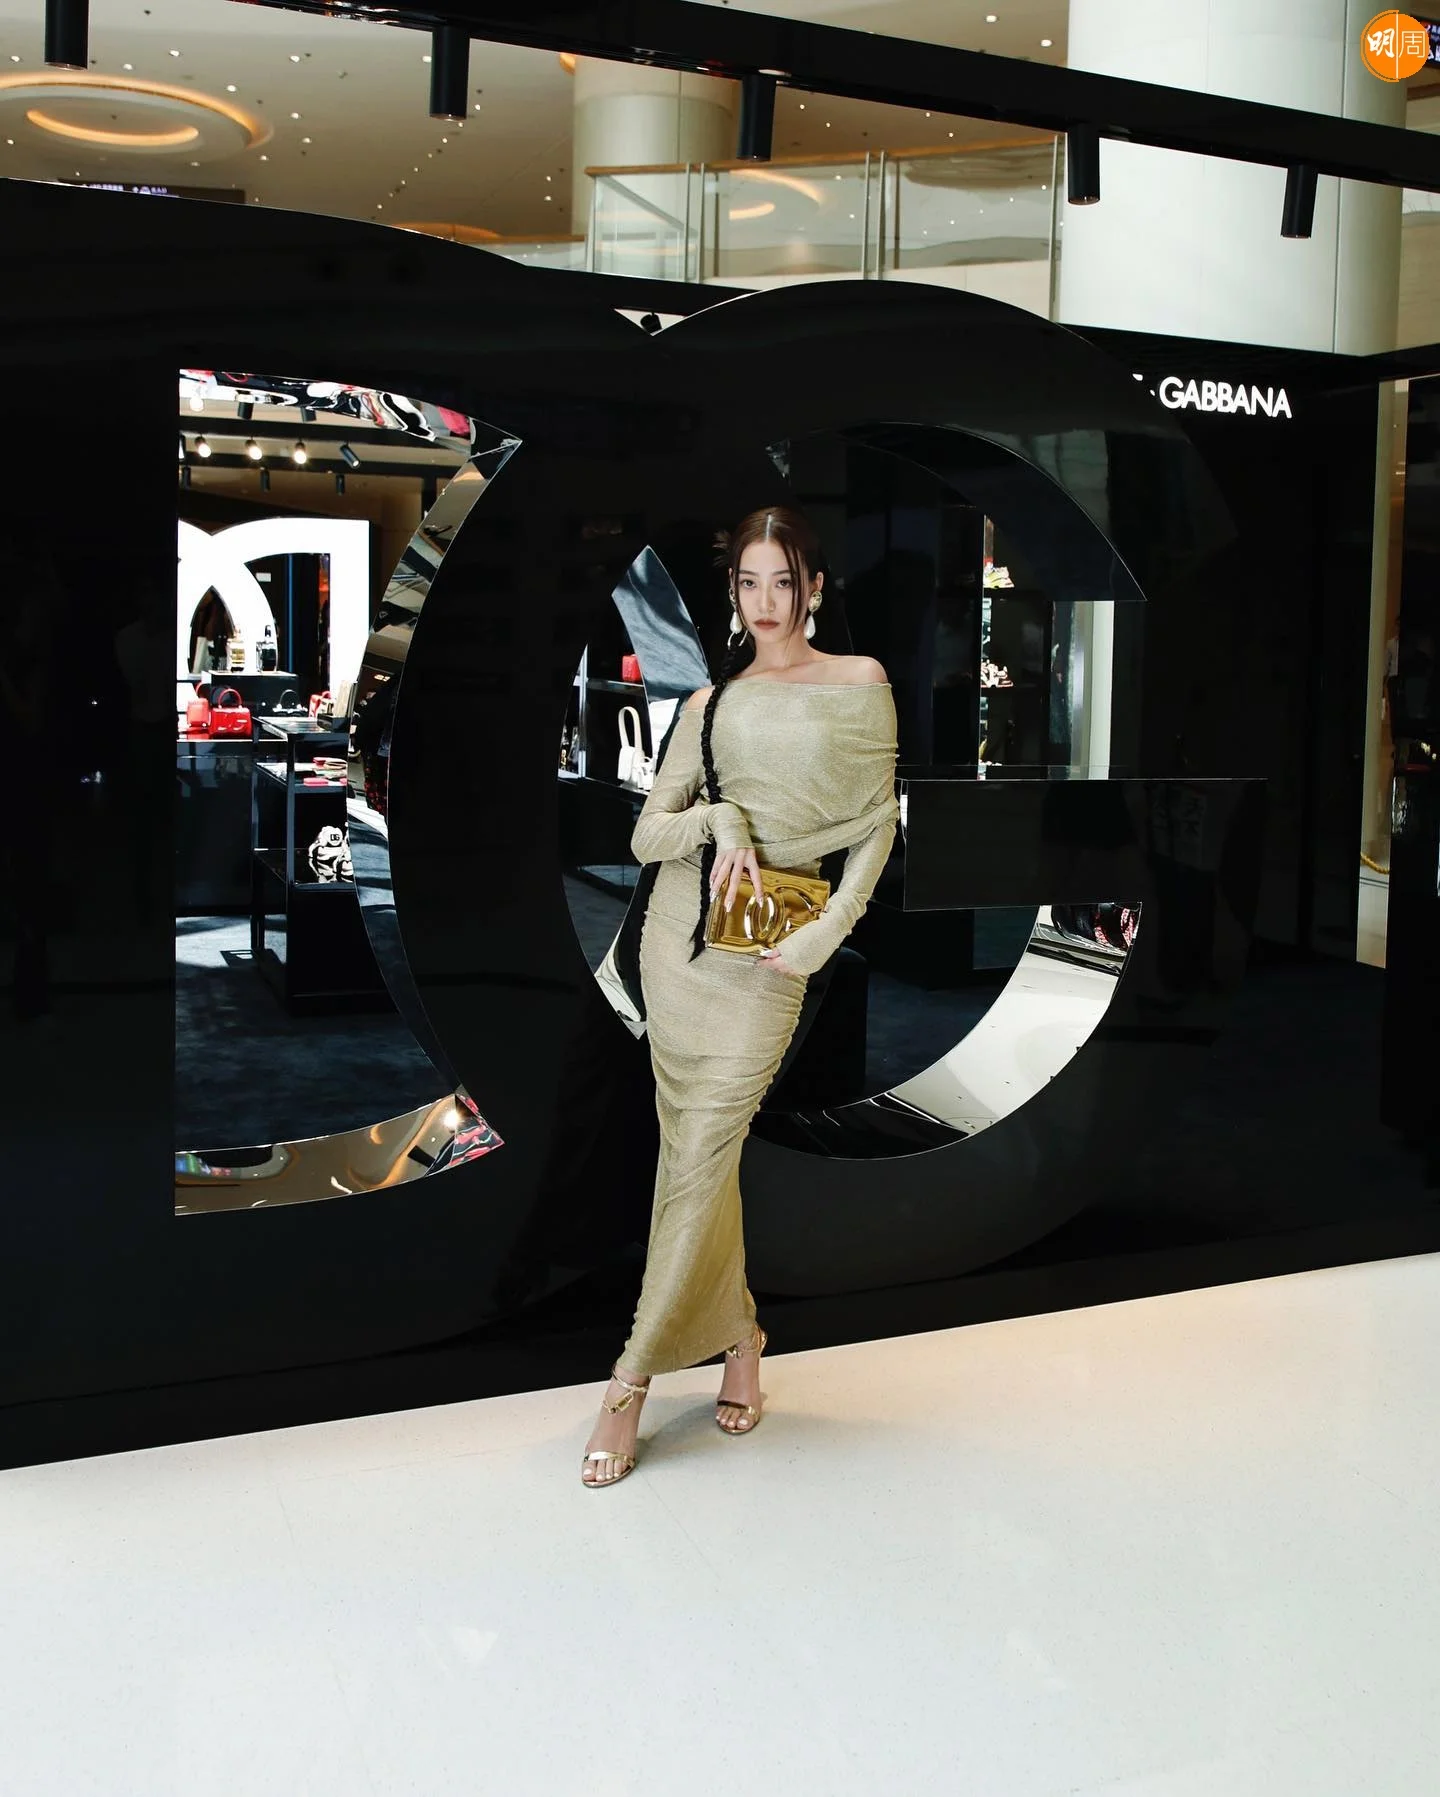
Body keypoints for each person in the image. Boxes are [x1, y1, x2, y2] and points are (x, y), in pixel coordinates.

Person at [580, 506, 899, 1487]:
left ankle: (629, 1380)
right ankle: (743, 1339)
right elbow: (645, 837)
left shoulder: (861, 683)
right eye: (749, 582)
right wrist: (716, 819)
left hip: (773, 963)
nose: (766, 601)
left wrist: (826, 932)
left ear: (814, 587)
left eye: (783, 581)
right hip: (682, 952)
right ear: (733, 593)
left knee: (701, 1154)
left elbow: (877, 825)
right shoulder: (707, 707)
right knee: (696, 1163)